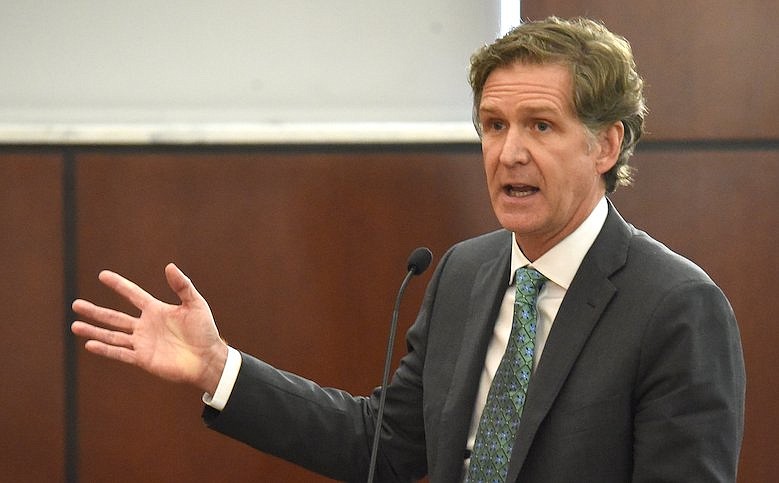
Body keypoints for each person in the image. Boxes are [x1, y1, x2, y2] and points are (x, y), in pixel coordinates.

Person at [71, 16, 745, 482]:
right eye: (492, 124)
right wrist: (219, 367)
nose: (508, 152)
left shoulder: (675, 307)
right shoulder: (465, 272)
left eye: (540, 125)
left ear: (604, 144)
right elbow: (383, 445)